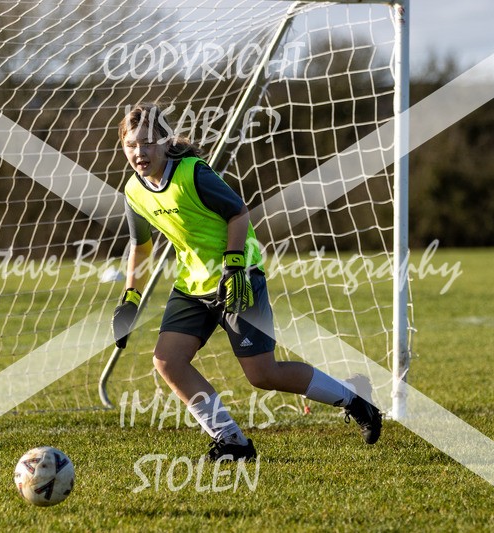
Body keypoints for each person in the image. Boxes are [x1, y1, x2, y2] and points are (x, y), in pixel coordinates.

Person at [112, 103, 381, 461]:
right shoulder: (134, 191)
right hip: (192, 286)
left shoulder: (192, 172)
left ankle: (353, 397)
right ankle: (232, 442)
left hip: (238, 277)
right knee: (167, 361)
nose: (139, 152)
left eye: (147, 142)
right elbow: (141, 246)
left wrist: (234, 266)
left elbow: (238, 213)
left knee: (262, 374)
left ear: (164, 142)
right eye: (131, 144)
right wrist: (130, 297)